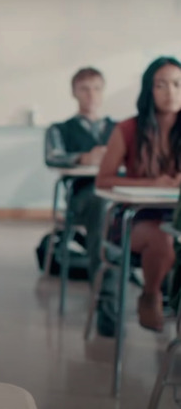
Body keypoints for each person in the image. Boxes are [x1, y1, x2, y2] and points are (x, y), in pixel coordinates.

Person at [95, 56, 181, 333]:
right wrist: (153, 183)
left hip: (176, 217)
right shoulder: (128, 129)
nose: (171, 92)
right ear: (149, 90)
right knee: (163, 238)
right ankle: (151, 293)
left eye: (178, 84)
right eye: (162, 85)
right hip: (135, 218)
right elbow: (104, 180)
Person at [45, 67, 117, 337]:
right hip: (85, 197)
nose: (91, 94)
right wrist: (82, 158)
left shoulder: (119, 129)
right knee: (104, 209)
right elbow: (52, 157)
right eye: (85, 88)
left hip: (120, 194)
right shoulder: (60, 129)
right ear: (74, 92)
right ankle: (106, 305)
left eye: (97, 88)